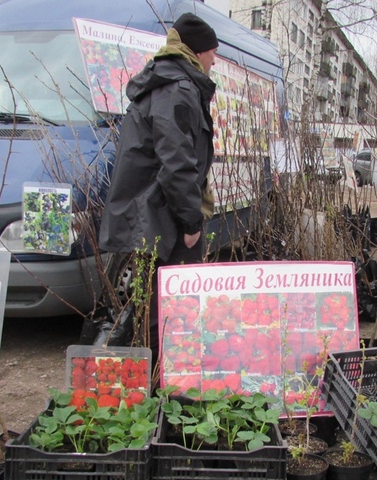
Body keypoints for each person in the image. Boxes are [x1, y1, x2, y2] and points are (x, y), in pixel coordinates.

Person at [95, 13, 219, 359]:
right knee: (169, 311)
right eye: (212, 51)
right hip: (163, 220)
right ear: (197, 51)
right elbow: (176, 163)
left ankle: (157, 388)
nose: (215, 59)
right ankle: (164, 391)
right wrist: (191, 222)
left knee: (155, 306)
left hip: (154, 217)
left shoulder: (171, 84)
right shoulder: (177, 89)